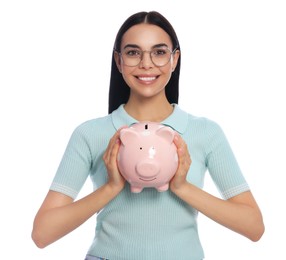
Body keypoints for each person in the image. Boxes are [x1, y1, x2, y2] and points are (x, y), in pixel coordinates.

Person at [31, 11, 265, 260]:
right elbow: (42, 234)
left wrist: (182, 187)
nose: (146, 63)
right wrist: (111, 187)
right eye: (133, 53)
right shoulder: (90, 134)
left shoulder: (206, 133)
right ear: (118, 61)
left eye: (159, 52)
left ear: (175, 59)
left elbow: (254, 227)